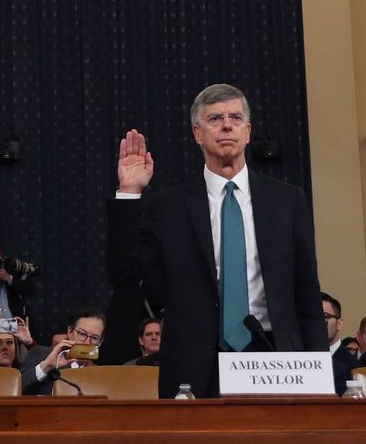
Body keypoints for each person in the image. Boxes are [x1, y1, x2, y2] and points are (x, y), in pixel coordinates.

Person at [107, 83, 328, 397]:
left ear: (248, 131)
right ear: (197, 133)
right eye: (215, 119)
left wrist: (320, 372)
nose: (227, 125)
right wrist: (129, 193)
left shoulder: (287, 200)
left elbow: (306, 292)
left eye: (236, 118)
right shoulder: (167, 207)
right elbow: (124, 274)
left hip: (275, 360)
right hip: (195, 364)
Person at [21, 310, 107, 395]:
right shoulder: (41, 354)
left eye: (94, 338)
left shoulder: (101, 374)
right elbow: (16, 389)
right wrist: (46, 366)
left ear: (100, 342)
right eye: (82, 334)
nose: (87, 342)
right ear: (70, 333)